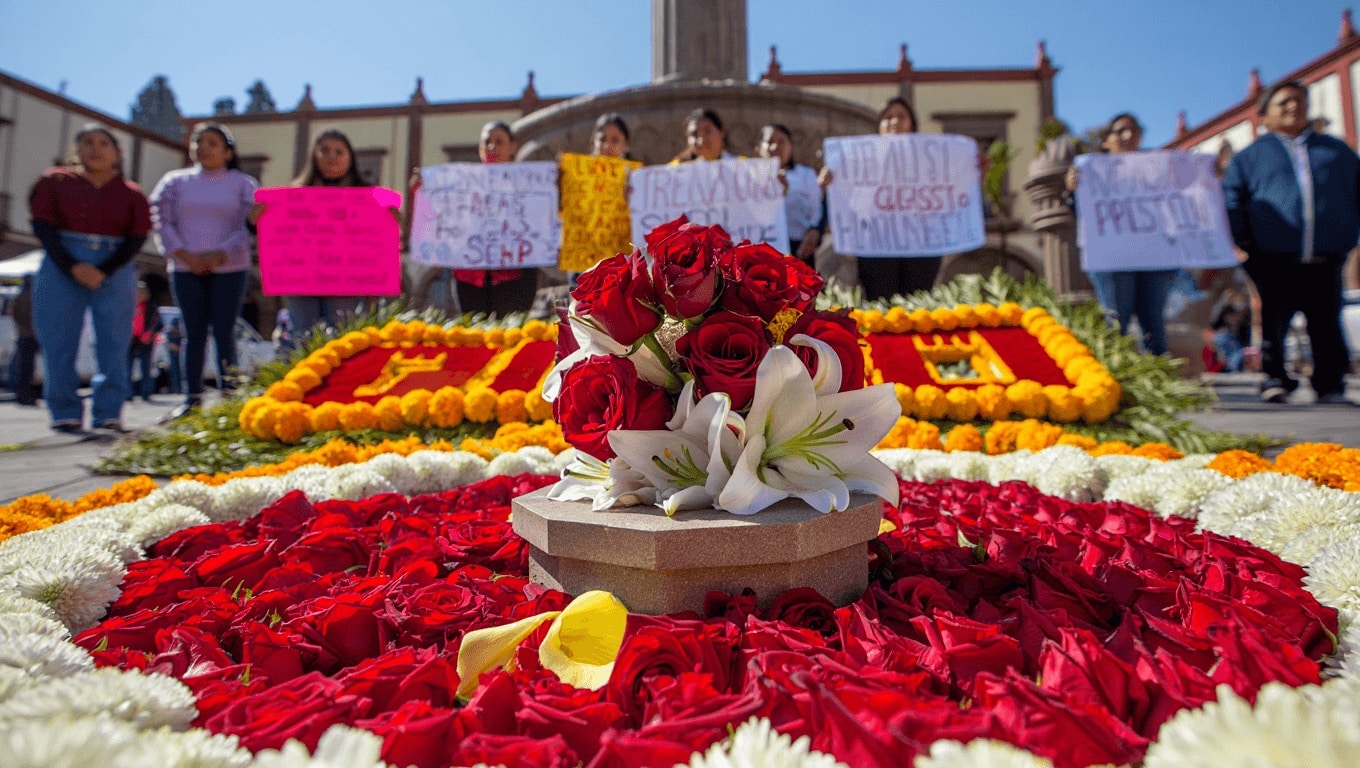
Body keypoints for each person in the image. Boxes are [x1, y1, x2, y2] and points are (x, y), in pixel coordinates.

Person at [1223, 80, 1360, 405]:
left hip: (1326, 253)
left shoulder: (1336, 152)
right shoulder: (1250, 158)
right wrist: (1242, 240)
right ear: (1265, 116)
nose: (1292, 106)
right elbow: (1232, 200)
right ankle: (1274, 378)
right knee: (1274, 319)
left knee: (1326, 319)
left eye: (1298, 100)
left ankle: (1329, 383)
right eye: (1283, 102)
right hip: (1271, 254)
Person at [28, 124, 151, 434]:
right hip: (62, 259)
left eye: (104, 143)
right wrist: (71, 264)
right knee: (58, 337)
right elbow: (42, 224)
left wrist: (104, 270)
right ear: (77, 150)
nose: (96, 149)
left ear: (117, 153)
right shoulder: (54, 181)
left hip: (115, 263)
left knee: (114, 339)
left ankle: (108, 412)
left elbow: (137, 235)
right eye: (88, 143)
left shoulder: (132, 193)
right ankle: (64, 410)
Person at [150, 122, 257, 420]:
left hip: (229, 268)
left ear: (228, 151)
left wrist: (221, 254)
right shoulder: (174, 181)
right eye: (199, 142)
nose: (204, 148)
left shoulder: (243, 183)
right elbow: (161, 220)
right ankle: (191, 398)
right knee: (192, 332)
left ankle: (230, 399)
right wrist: (185, 255)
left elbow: (248, 225)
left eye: (212, 143)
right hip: (185, 268)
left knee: (225, 332)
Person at [1066, 113, 1178, 355]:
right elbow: (1085, 216)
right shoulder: (1091, 173)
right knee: (1116, 318)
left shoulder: (1158, 169)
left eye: (1134, 129)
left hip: (1154, 255)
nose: (1128, 135)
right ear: (1106, 140)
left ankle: (1158, 382)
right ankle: (1116, 381)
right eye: (1120, 130)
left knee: (1154, 320)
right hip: (1113, 258)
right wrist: (1074, 191)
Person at [254, 128, 369, 346]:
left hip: (345, 281)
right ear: (314, 156)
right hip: (301, 279)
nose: (331, 157)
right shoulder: (291, 195)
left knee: (342, 339)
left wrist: (392, 218)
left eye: (339, 151)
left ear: (350, 157)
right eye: (324, 150)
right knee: (303, 338)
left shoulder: (368, 198)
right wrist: (257, 217)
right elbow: (263, 230)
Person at [821, 97, 943, 300]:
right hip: (876, 246)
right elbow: (851, 199)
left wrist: (973, 170)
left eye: (901, 117)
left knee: (918, 308)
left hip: (921, 246)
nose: (894, 122)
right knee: (880, 305)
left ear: (912, 124)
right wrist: (832, 182)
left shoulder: (931, 159)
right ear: (879, 126)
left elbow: (949, 185)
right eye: (888, 117)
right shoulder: (860, 161)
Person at [450, 120, 540, 317]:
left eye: (499, 141)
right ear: (480, 148)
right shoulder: (463, 185)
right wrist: (424, 191)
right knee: (475, 340)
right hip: (470, 277)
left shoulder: (531, 183)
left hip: (516, 276)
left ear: (513, 147)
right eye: (487, 142)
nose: (492, 147)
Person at [756, 123, 822, 264]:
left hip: (798, 250)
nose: (775, 147)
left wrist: (814, 233)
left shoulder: (806, 175)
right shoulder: (747, 178)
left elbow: (816, 211)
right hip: (761, 250)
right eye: (769, 142)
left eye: (781, 142)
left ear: (791, 147)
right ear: (758, 149)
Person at [7, 275, 38, 406]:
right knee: (25, 367)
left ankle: (25, 394)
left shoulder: (24, 296)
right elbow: (15, 315)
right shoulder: (25, 297)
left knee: (26, 367)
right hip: (27, 336)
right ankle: (23, 394)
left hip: (28, 335)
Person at [128, 280, 159, 402]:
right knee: (127, 369)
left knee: (146, 368)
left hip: (146, 342)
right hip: (131, 341)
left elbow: (157, 323)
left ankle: (146, 393)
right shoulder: (129, 306)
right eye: (138, 292)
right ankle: (127, 394)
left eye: (142, 292)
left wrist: (150, 334)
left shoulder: (152, 307)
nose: (139, 295)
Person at [162, 315, 183, 398]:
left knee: (181, 372)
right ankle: (175, 388)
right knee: (173, 372)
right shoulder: (169, 332)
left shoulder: (181, 332)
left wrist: (179, 349)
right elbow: (166, 342)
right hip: (171, 355)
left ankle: (180, 388)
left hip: (180, 354)